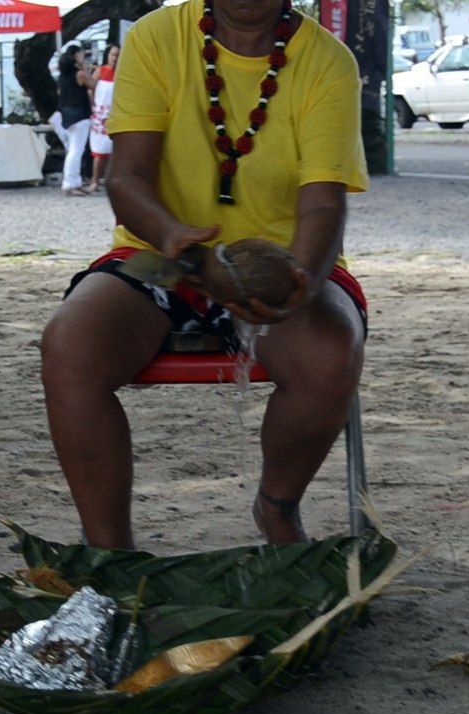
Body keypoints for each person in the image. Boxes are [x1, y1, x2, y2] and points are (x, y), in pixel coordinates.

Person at [39, 0, 368, 549]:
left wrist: (301, 282)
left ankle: (278, 506)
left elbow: (322, 208)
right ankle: (109, 553)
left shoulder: (327, 61)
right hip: (167, 256)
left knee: (330, 354)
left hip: (285, 263)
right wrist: (177, 241)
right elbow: (128, 180)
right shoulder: (156, 37)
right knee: (70, 346)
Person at [56, 44, 97, 197]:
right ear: (76, 56)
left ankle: (72, 180)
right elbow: (94, 85)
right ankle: (71, 182)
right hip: (80, 113)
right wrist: (85, 68)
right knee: (76, 150)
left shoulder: (63, 75)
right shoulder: (79, 74)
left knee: (72, 149)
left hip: (67, 113)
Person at [87, 44, 119, 191]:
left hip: (116, 114)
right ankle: (95, 180)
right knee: (99, 151)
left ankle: (111, 180)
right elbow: (91, 89)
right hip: (100, 115)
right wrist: (93, 105)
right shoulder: (100, 71)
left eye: (117, 55)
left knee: (115, 150)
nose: (115, 58)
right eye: (113, 54)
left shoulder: (122, 72)